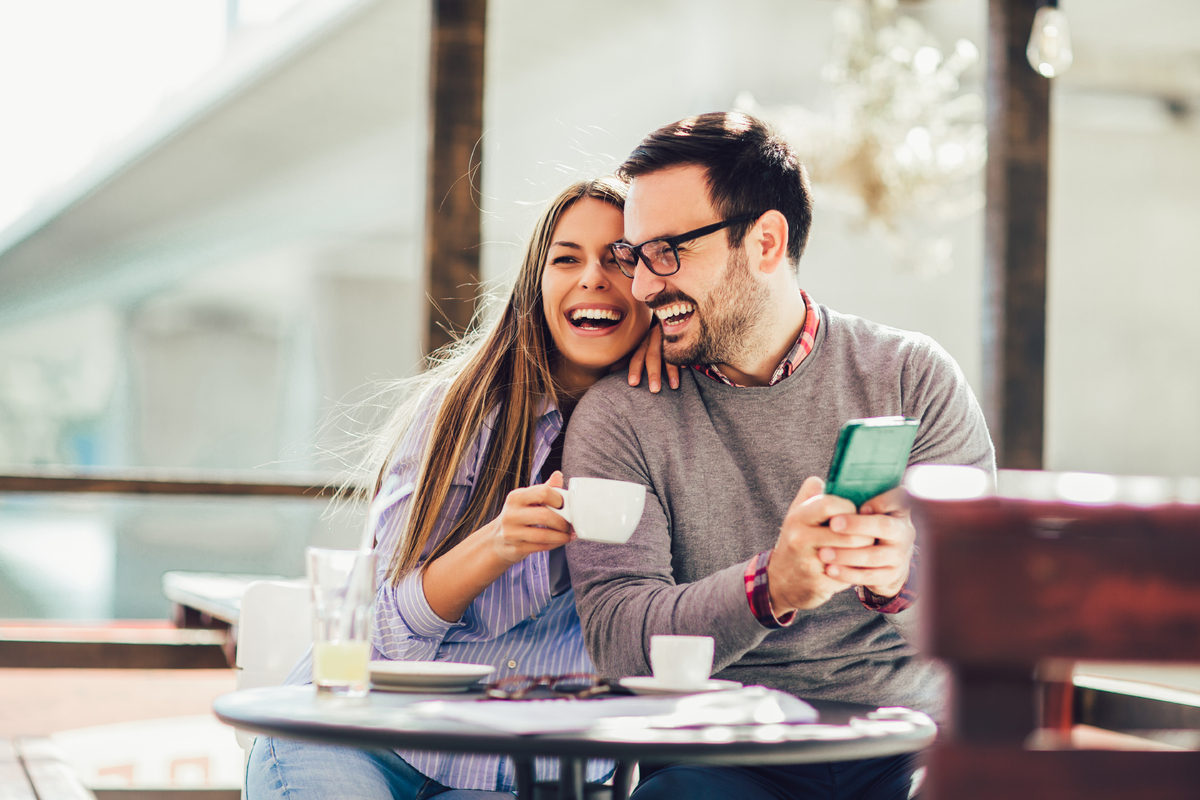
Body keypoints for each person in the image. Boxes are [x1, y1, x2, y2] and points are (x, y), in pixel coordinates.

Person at [563, 112, 996, 800]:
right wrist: (770, 589)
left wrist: (898, 579)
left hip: (909, 750)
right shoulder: (621, 417)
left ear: (766, 241)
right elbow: (617, 634)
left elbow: (987, 615)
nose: (643, 286)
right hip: (718, 762)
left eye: (668, 251)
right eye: (635, 255)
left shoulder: (912, 375)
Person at [246, 176, 677, 799]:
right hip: (360, 737)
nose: (593, 278)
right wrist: (497, 544)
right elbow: (385, 632)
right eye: (567, 259)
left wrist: (679, 340)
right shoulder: (463, 411)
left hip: (519, 772)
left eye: (620, 259)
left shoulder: (672, 422)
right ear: (536, 285)